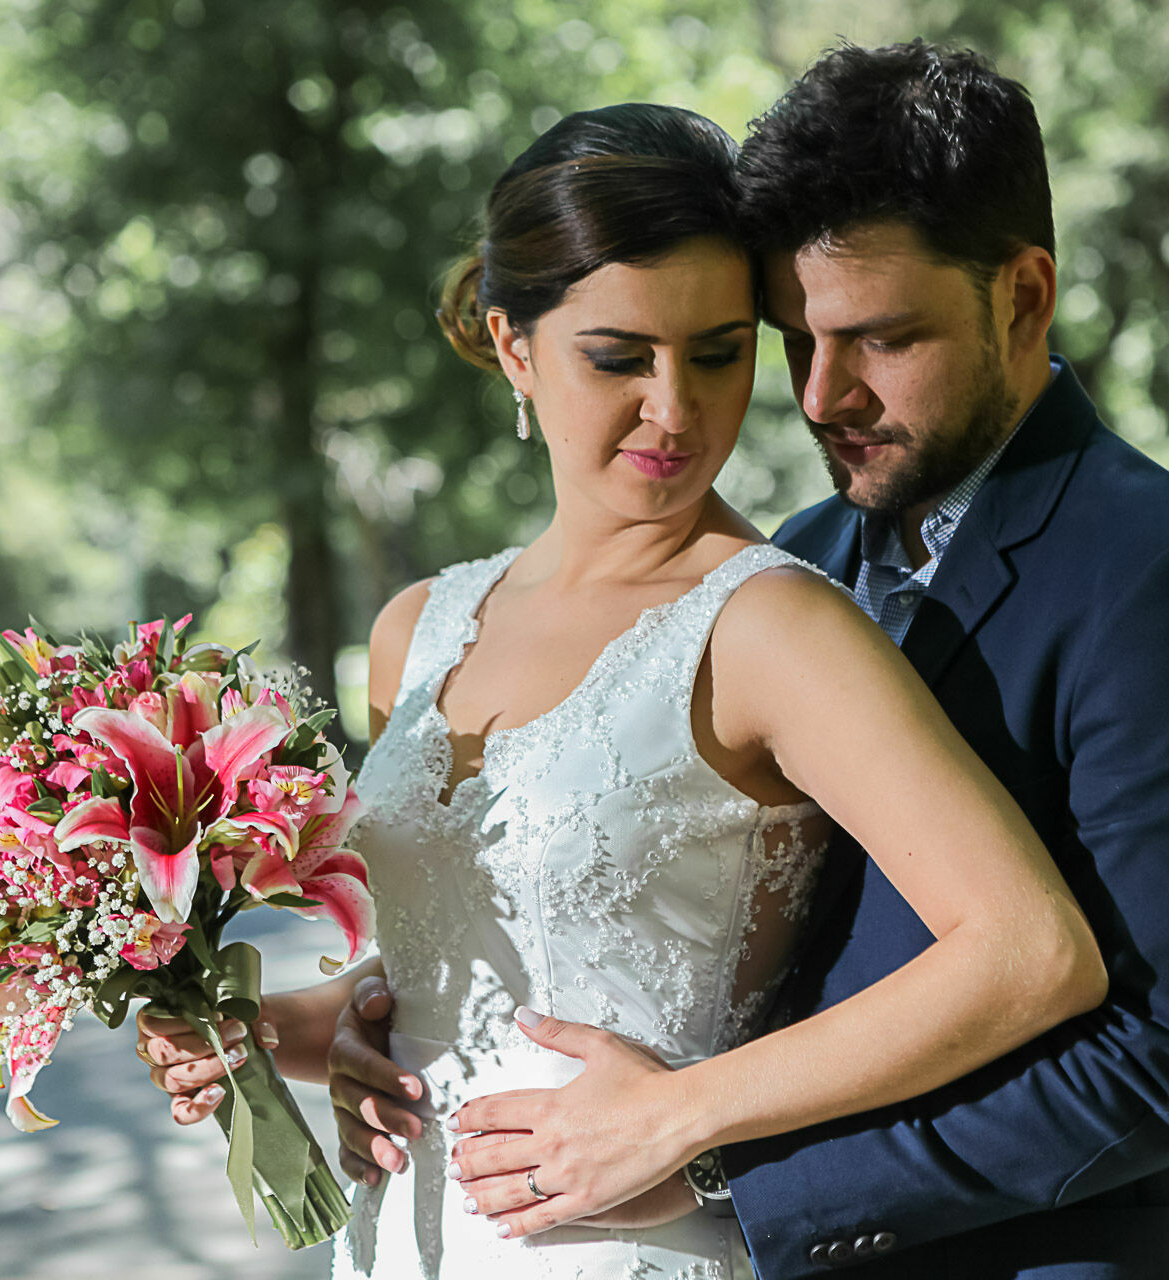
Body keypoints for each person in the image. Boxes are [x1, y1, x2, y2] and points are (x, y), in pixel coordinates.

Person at [329, 42, 1169, 1279]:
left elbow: (1149, 1062)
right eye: (796, 341)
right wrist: (368, 1016)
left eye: (880, 338)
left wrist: (717, 1169)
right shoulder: (799, 551)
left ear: (1023, 296)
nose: (822, 395)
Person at [135, 100, 1107, 1280]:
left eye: (719, 353)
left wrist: (686, 1114)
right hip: (403, 1244)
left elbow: (1032, 950)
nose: (675, 408)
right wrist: (273, 1025)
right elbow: (448, 964)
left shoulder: (772, 626)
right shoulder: (418, 630)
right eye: (620, 357)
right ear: (514, 346)